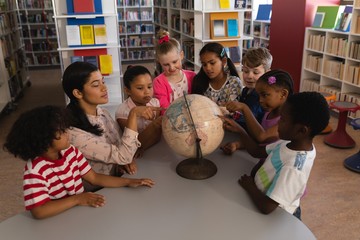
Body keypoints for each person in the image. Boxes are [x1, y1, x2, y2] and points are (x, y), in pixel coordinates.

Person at [3, 105, 155, 219]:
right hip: (57, 220)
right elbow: (39, 211)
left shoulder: (70, 152)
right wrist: (77, 199)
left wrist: (128, 182)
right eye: (62, 132)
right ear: (44, 139)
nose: (67, 133)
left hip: (78, 213)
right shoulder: (35, 171)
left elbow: (94, 177)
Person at [221, 92, 330, 220]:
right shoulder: (288, 142)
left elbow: (267, 207)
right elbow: (256, 151)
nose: (277, 125)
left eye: (282, 120)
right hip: (260, 198)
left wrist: (250, 186)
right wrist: (240, 130)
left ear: (301, 130)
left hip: (279, 216)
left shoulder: (294, 168)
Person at [62, 61, 160, 191]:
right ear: (78, 93)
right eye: (96, 85)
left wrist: (122, 163)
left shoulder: (103, 113)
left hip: (117, 181)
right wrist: (133, 114)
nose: (104, 88)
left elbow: (121, 146)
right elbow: (123, 155)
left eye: (103, 82)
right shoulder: (74, 133)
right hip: (98, 191)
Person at [221, 70, 294, 160]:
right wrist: (237, 144)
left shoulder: (286, 120)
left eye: (265, 95)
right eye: (259, 95)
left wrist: (244, 108)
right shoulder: (268, 112)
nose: (260, 100)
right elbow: (258, 140)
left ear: (283, 94)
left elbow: (262, 137)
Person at [115, 65, 162, 157]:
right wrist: (154, 125)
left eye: (149, 86)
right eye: (140, 88)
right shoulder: (122, 112)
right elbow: (133, 145)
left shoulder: (155, 103)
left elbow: (157, 137)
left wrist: (143, 147)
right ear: (127, 90)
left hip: (154, 149)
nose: (147, 92)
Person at [153, 30, 196, 113]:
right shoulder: (158, 82)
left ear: (181, 55)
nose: (172, 68)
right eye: (166, 65)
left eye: (174, 62)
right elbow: (164, 109)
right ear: (159, 62)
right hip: (171, 120)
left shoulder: (192, 76)